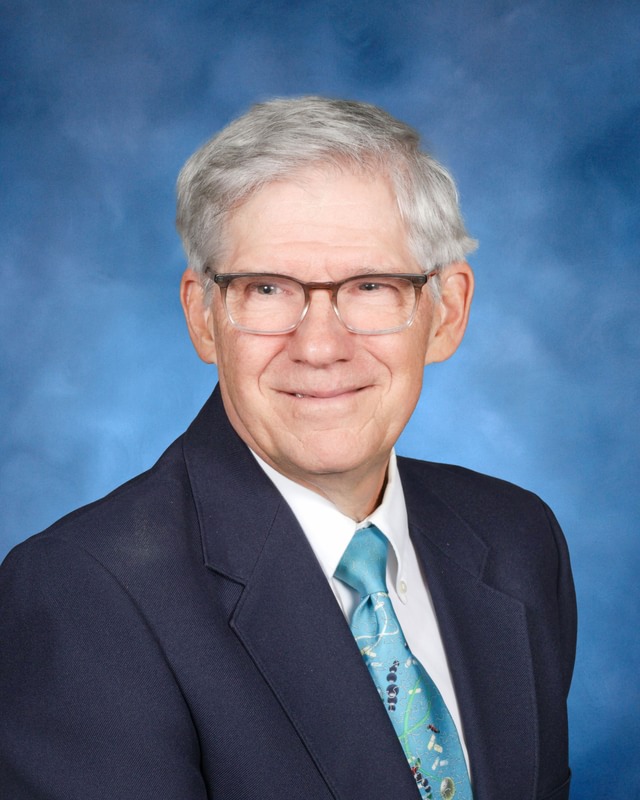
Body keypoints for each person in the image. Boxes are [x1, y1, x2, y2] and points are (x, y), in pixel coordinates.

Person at [0, 97, 576, 800]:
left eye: (371, 286)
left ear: (446, 312)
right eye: (267, 288)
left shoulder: (516, 539)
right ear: (203, 317)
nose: (320, 347)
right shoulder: (84, 595)